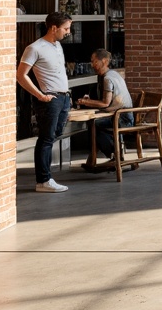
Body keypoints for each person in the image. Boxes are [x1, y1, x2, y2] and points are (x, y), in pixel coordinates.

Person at [15, 11, 73, 192]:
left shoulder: (57, 46)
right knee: (46, 139)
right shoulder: (35, 48)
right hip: (49, 99)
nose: (68, 32)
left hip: (63, 98)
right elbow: (21, 75)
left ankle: (46, 178)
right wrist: (40, 95)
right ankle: (43, 181)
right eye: (66, 28)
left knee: (53, 135)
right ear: (54, 28)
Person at [77, 48, 134, 160]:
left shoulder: (108, 78)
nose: (92, 64)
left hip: (123, 118)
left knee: (93, 124)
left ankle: (114, 153)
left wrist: (85, 102)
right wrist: (91, 99)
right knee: (95, 123)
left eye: (94, 61)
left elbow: (105, 103)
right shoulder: (112, 74)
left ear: (104, 61)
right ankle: (113, 152)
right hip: (121, 115)